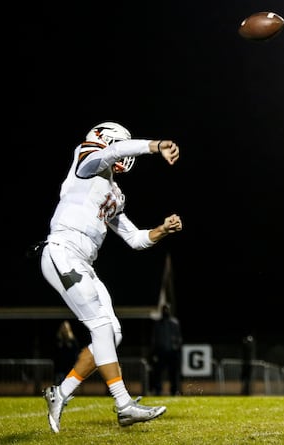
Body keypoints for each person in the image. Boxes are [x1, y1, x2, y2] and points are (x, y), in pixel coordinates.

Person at [39, 122, 182, 433]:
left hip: (83, 262)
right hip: (61, 250)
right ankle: (123, 404)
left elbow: (135, 239)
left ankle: (60, 394)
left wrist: (162, 230)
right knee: (101, 326)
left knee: (111, 334)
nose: (122, 149)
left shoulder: (113, 192)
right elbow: (114, 151)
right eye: (119, 143)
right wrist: (155, 145)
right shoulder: (86, 159)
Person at [150, 303, 183, 396]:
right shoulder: (158, 324)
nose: (166, 311)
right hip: (161, 353)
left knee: (173, 374)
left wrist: (176, 348)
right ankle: (158, 391)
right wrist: (154, 353)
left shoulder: (174, 323)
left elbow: (179, 337)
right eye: (164, 309)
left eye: (167, 309)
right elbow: (154, 339)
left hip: (172, 353)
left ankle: (174, 391)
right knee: (158, 374)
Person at [53, 320, 81, 385]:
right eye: (63, 327)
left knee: (68, 384)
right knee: (59, 383)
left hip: (69, 366)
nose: (64, 329)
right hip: (59, 367)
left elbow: (76, 352)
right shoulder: (58, 339)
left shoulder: (72, 340)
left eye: (65, 328)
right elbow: (54, 352)